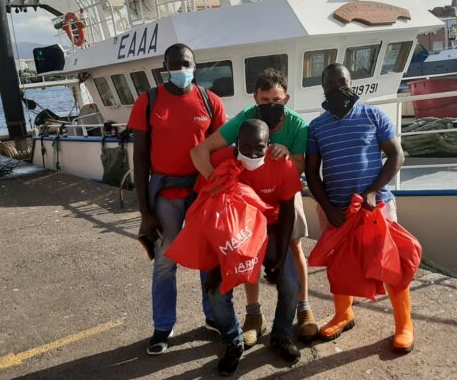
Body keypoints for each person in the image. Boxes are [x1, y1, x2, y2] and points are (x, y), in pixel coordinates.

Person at [191, 68, 318, 346]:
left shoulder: (296, 125)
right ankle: (254, 314)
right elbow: (199, 151)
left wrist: (285, 154)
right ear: (255, 99)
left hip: (282, 190)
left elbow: (300, 167)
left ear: (286, 98)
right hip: (247, 195)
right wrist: (220, 185)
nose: (270, 106)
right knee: (249, 249)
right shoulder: (245, 119)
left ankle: (303, 307)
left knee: (293, 246)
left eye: (276, 100)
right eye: (264, 100)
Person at [305, 63, 414, 353]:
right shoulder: (316, 127)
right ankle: (343, 314)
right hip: (338, 211)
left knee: (391, 264)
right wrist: (326, 207)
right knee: (339, 267)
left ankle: (404, 324)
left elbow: (396, 155)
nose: (337, 88)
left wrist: (373, 191)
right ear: (324, 88)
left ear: (351, 83)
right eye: (330, 84)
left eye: (342, 82)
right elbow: (312, 173)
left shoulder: (374, 116)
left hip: (375, 208)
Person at [128, 43, 226, 355]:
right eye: (175, 64)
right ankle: (163, 326)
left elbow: (222, 151)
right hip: (164, 192)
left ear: (195, 65)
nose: (181, 69)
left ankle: (214, 317)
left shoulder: (210, 102)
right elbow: (140, 156)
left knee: (207, 258)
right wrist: (145, 211)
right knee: (165, 260)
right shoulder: (149, 101)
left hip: (202, 191)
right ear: (165, 66)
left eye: (186, 63)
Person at [199, 119, 302, 376]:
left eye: (259, 148)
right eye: (246, 147)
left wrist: (279, 258)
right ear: (236, 144)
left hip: (270, 230)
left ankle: (281, 336)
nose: (253, 154)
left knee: (290, 283)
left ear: (269, 145)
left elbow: (287, 212)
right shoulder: (222, 161)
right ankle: (233, 341)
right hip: (235, 234)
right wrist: (217, 260)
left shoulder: (282, 164)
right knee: (215, 291)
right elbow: (210, 208)